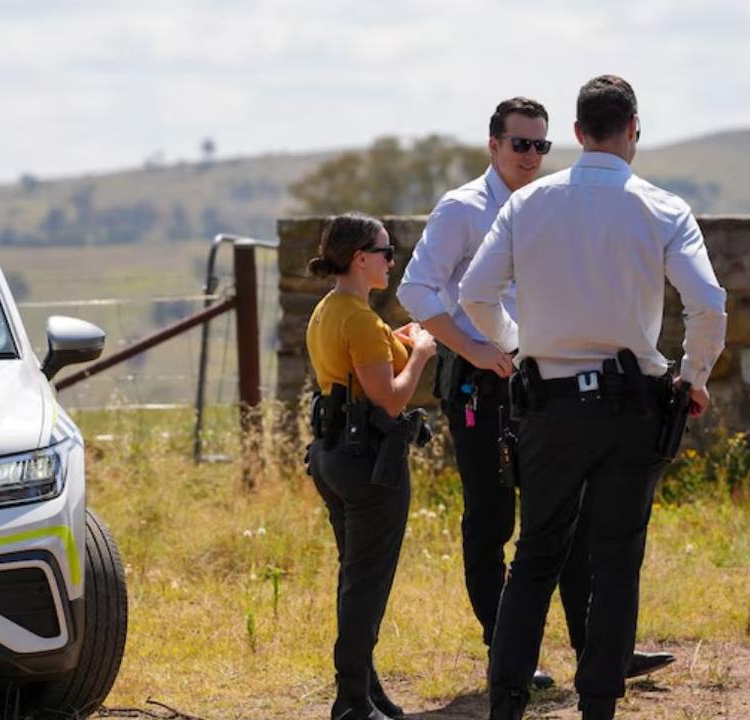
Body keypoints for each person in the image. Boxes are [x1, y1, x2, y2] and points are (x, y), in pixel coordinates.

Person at [459, 75, 727, 720]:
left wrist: (520, 347)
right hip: (633, 404)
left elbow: (474, 294)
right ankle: (599, 706)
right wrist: (692, 376)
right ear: (634, 128)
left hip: (547, 403)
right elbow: (709, 304)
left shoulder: (527, 204)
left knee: (534, 557)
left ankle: (506, 704)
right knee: (615, 561)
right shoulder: (663, 208)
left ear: (577, 133)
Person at [398, 97, 673, 688]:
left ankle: (600, 652)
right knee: (492, 518)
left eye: (541, 145)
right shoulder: (462, 208)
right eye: (519, 144)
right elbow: (417, 289)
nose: (530, 155)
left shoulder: (541, 206)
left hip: (538, 381)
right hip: (479, 381)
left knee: (564, 520)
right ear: (493, 144)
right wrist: (473, 349)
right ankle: (507, 653)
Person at [305, 212, 437, 720]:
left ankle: (367, 691)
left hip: (332, 457)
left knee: (355, 578)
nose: (392, 259)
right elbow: (390, 401)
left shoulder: (331, 309)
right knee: (367, 584)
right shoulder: (359, 318)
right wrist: (421, 353)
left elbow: (363, 359)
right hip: (370, 465)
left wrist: (399, 340)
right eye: (386, 251)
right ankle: (351, 701)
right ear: (360, 258)